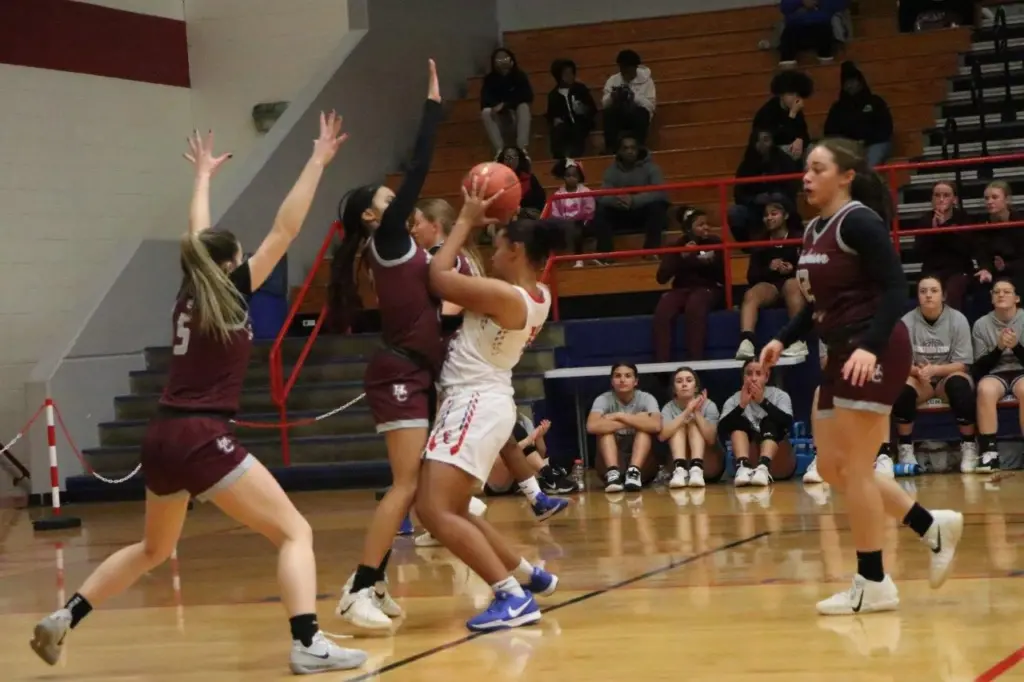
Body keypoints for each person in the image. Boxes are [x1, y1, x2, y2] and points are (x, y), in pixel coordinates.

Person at [30, 121, 362, 675]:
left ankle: (67, 615)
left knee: (154, 549)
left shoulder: (191, 289)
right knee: (294, 532)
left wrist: (203, 178)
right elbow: (286, 227)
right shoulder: (229, 291)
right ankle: (308, 641)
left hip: (162, 434)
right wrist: (316, 162)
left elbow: (198, 233)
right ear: (231, 264)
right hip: (202, 435)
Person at [762, 137, 964, 616]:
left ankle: (873, 581)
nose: (807, 176)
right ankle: (931, 526)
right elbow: (816, 305)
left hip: (873, 349)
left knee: (857, 467)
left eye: (818, 168)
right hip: (838, 353)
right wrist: (782, 339)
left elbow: (896, 289)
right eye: (806, 168)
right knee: (833, 468)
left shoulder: (860, 221)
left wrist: (870, 347)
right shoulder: (814, 230)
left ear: (846, 176)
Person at [416, 182, 563, 632]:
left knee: (434, 511)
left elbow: (438, 276)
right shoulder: (538, 293)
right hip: (486, 401)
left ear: (516, 250)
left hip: (472, 403)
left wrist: (463, 220)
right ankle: (528, 574)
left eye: (498, 246)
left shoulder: (506, 296)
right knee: (456, 510)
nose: (492, 255)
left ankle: (512, 596)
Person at [329, 61, 444, 634]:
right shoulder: (392, 237)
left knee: (416, 487)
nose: (395, 196)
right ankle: (356, 588)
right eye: (385, 195)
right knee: (404, 486)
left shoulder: (400, 246)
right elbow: (419, 167)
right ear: (374, 215)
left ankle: (374, 582)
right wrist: (433, 106)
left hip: (415, 370)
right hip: (398, 374)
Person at [894, 275, 977, 471]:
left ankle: (969, 446)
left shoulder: (958, 320)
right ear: (917, 296)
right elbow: (900, 363)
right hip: (919, 379)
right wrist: (917, 371)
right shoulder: (906, 322)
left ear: (944, 295)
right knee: (901, 389)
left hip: (946, 377)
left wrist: (935, 370)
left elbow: (963, 364)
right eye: (923, 291)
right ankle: (905, 448)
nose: (928, 295)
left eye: (934, 291)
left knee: (960, 386)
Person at [735, 194, 807, 360]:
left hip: (794, 284)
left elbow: (810, 266)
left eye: (774, 214)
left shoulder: (799, 237)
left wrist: (793, 268)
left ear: (785, 216)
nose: (768, 218)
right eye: (766, 215)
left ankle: (798, 341)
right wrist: (769, 268)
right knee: (752, 293)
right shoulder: (760, 241)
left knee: (792, 285)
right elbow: (752, 276)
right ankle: (747, 341)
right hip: (771, 286)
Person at [652, 207, 725, 361]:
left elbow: (721, 275)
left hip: (708, 288)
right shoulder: (676, 246)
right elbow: (662, 277)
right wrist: (681, 257)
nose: (706, 227)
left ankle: (695, 362)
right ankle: (662, 364)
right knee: (664, 307)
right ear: (689, 228)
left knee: (695, 304)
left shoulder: (715, 242)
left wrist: (706, 262)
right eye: (701, 224)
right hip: (682, 288)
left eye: (707, 224)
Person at [970, 277, 1024, 473]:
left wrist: (1016, 347)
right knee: (985, 389)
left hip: (1021, 371)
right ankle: (989, 452)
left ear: (1016, 298)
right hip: (996, 373)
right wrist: (999, 348)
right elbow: (979, 368)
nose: (1001, 294)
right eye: (996, 292)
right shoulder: (981, 324)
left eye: (1006, 291)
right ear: (991, 298)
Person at [586, 363, 663, 492]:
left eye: (627, 376)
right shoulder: (603, 399)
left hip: (644, 465)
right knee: (605, 432)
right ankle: (613, 474)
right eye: (618, 376)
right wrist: (635, 420)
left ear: (636, 381)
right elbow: (591, 426)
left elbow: (656, 425)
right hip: (612, 459)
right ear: (612, 381)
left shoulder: (646, 398)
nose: (622, 380)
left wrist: (618, 416)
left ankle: (634, 472)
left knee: (644, 432)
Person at [718, 360, 794, 487]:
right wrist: (741, 406)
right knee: (737, 423)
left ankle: (763, 467)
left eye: (758, 373)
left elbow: (787, 423)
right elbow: (722, 429)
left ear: (767, 377)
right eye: (749, 374)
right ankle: (743, 466)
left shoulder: (780, 395)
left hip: (779, 462)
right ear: (743, 377)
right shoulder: (733, 400)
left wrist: (762, 401)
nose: (753, 378)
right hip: (749, 457)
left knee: (770, 421)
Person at [591, 133, 670, 252]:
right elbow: (602, 196)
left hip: (644, 214)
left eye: (633, 148)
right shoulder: (611, 171)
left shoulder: (652, 168)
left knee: (658, 206)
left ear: (638, 150)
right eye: (625, 148)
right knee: (601, 210)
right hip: (621, 212)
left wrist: (633, 200)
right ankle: (605, 254)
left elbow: (660, 192)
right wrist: (617, 199)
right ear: (619, 151)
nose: (629, 151)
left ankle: (651, 251)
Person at [727, 128, 801, 243]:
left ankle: (789, 239)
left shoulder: (783, 160)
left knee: (778, 198)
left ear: (772, 141)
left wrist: (773, 196)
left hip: (779, 203)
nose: (762, 144)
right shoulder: (746, 165)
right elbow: (739, 193)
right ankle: (749, 247)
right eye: (758, 141)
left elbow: (792, 186)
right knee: (735, 212)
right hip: (755, 208)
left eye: (766, 140)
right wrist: (754, 199)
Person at [912, 181, 973, 311]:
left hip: (958, 270)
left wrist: (945, 228)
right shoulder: (925, 220)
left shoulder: (963, 218)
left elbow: (967, 249)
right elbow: (918, 253)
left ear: (954, 199)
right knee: (928, 291)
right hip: (932, 270)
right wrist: (932, 232)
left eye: (946, 195)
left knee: (952, 291)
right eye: (937, 195)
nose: (941, 199)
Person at [659, 367, 722, 488]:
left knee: (693, 425)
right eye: (679, 381)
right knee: (679, 427)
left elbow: (711, 439)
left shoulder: (709, 405)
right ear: (674, 389)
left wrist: (696, 412)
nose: (684, 384)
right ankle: (680, 470)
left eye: (689, 380)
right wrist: (687, 411)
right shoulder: (668, 407)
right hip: (677, 464)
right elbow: (662, 436)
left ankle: (696, 469)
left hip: (709, 465)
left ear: (696, 387)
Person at [823, 61, 894, 168]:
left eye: (853, 81)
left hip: (875, 143)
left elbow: (886, 127)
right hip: (849, 148)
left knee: (870, 161)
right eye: (846, 83)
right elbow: (830, 133)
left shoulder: (875, 102)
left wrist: (866, 141)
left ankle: (865, 175)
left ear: (860, 82)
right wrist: (850, 144)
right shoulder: (838, 107)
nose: (850, 85)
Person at [480, 48, 534, 154]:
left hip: (515, 115)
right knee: (486, 112)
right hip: (499, 117)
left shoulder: (519, 76)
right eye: (499, 59)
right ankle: (500, 151)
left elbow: (527, 96)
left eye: (505, 58)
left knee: (524, 107)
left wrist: (505, 105)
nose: (502, 61)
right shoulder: (489, 79)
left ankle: (522, 149)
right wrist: (496, 107)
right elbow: (485, 100)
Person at [600, 49, 656, 152]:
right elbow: (604, 104)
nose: (625, 73)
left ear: (635, 68)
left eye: (627, 70)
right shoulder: (613, 80)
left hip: (636, 114)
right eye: (622, 69)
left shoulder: (647, 81)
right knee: (608, 114)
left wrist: (634, 97)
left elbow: (651, 106)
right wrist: (613, 96)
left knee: (642, 113)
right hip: (619, 113)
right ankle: (611, 148)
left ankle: (639, 147)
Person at [752, 71, 813, 162]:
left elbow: (804, 135)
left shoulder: (797, 110)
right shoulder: (767, 112)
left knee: (813, 150)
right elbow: (777, 139)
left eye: (798, 95)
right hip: (770, 155)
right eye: (791, 94)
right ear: (781, 95)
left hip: (793, 152)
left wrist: (800, 139)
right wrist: (792, 115)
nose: (795, 98)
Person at [548, 158, 598, 266]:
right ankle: (567, 259)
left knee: (578, 230)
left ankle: (580, 258)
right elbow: (555, 212)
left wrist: (578, 218)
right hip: (564, 223)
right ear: (564, 177)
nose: (571, 178)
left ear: (579, 177)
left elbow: (589, 209)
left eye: (574, 175)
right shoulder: (558, 194)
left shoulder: (585, 191)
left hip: (582, 221)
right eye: (568, 175)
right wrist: (562, 221)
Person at [974, 181, 1024, 286]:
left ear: (1007, 199)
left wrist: (1006, 266)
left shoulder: (1020, 222)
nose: (989, 201)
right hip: (993, 273)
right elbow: (981, 254)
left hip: (1018, 272)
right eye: (986, 198)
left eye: (994, 197)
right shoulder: (982, 223)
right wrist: (985, 269)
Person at [546, 59, 596, 159]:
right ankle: (559, 158)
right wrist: (555, 120)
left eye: (571, 73)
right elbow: (551, 115)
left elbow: (593, 109)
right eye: (566, 74)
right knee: (558, 131)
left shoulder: (580, 88)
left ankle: (576, 157)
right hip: (565, 125)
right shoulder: (553, 95)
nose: (570, 76)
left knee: (578, 129)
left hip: (582, 122)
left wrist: (584, 109)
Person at [778, 0, 847, 66]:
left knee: (826, 33)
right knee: (788, 37)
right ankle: (788, 68)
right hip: (795, 28)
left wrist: (819, 1)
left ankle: (827, 66)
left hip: (823, 26)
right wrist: (801, 2)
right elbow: (784, 7)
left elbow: (841, 4)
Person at [497, 146, 547, 213]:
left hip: (526, 216)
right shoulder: (496, 180)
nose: (511, 161)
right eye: (507, 158)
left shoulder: (530, 178)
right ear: (502, 160)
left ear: (519, 160)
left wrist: (523, 211)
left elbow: (540, 203)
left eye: (515, 157)